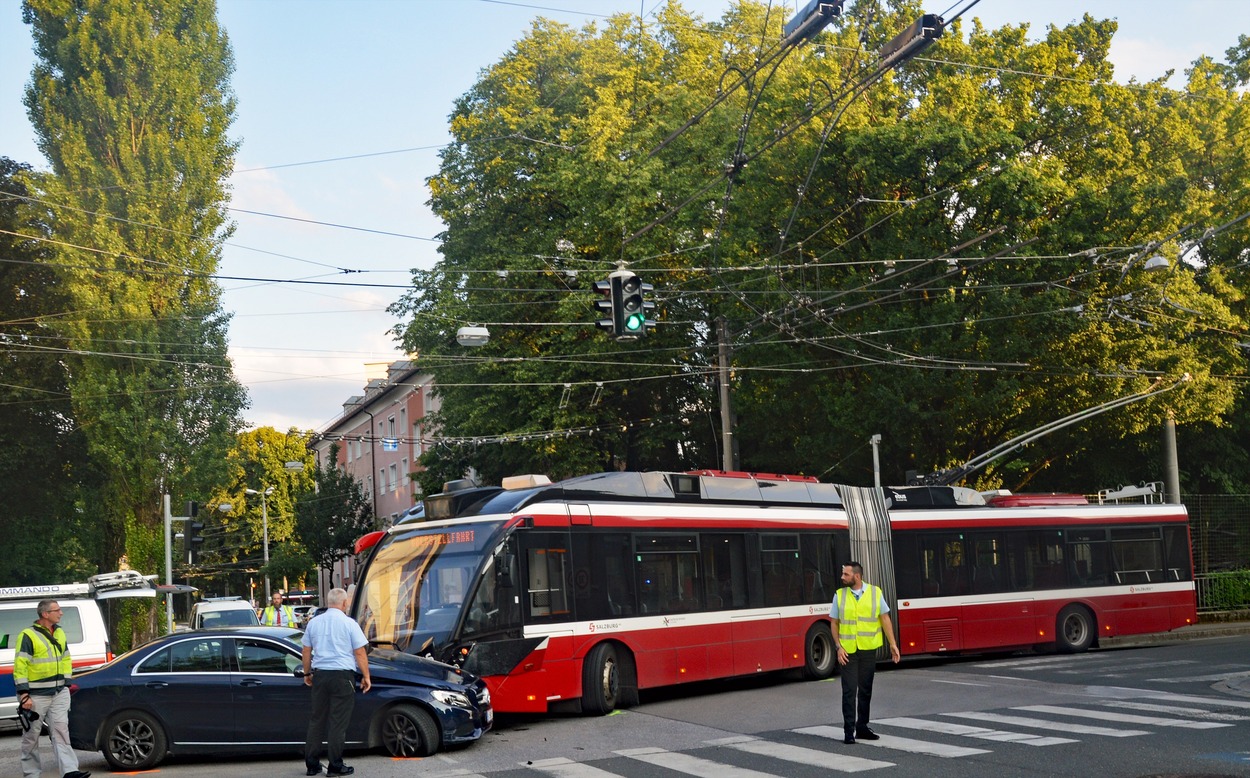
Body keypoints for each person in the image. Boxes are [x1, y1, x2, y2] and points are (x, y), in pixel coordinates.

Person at [13, 599, 91, 778]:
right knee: (31, 737)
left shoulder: (60, 632)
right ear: (45, 614)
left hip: (58, 693)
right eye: (57, 610)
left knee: (61, 732)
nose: (61, 613)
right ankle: (31, 774)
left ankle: (70, 771)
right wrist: (24, 694)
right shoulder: (28, 635)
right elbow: (20, 665)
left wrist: (66, 683)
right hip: (35, 695)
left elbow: (65, 658)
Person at [829, 561, 900, 745]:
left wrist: (893, 644)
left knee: (865, 690)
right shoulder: (839, 595)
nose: (842, 577)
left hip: (868, 649)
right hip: (848, 651)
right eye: (842, 573)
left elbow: (884, 618)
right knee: (849, 691)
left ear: (857, 576)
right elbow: (834, 622)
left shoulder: (876, 593)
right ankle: (848, 731)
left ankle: (862, 727)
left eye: (846, 574)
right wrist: (838, 647)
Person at [303, 587, 371, 777]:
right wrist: (366, 676)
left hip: (320, 675)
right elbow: (359, 652)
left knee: (317, 721)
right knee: (337, 723)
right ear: (343, 603)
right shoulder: (349, 623)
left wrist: (307, 673)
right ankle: (335, 766)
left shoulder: (314, 623)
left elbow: (306, 650)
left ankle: (312, 765)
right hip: (342, 676)